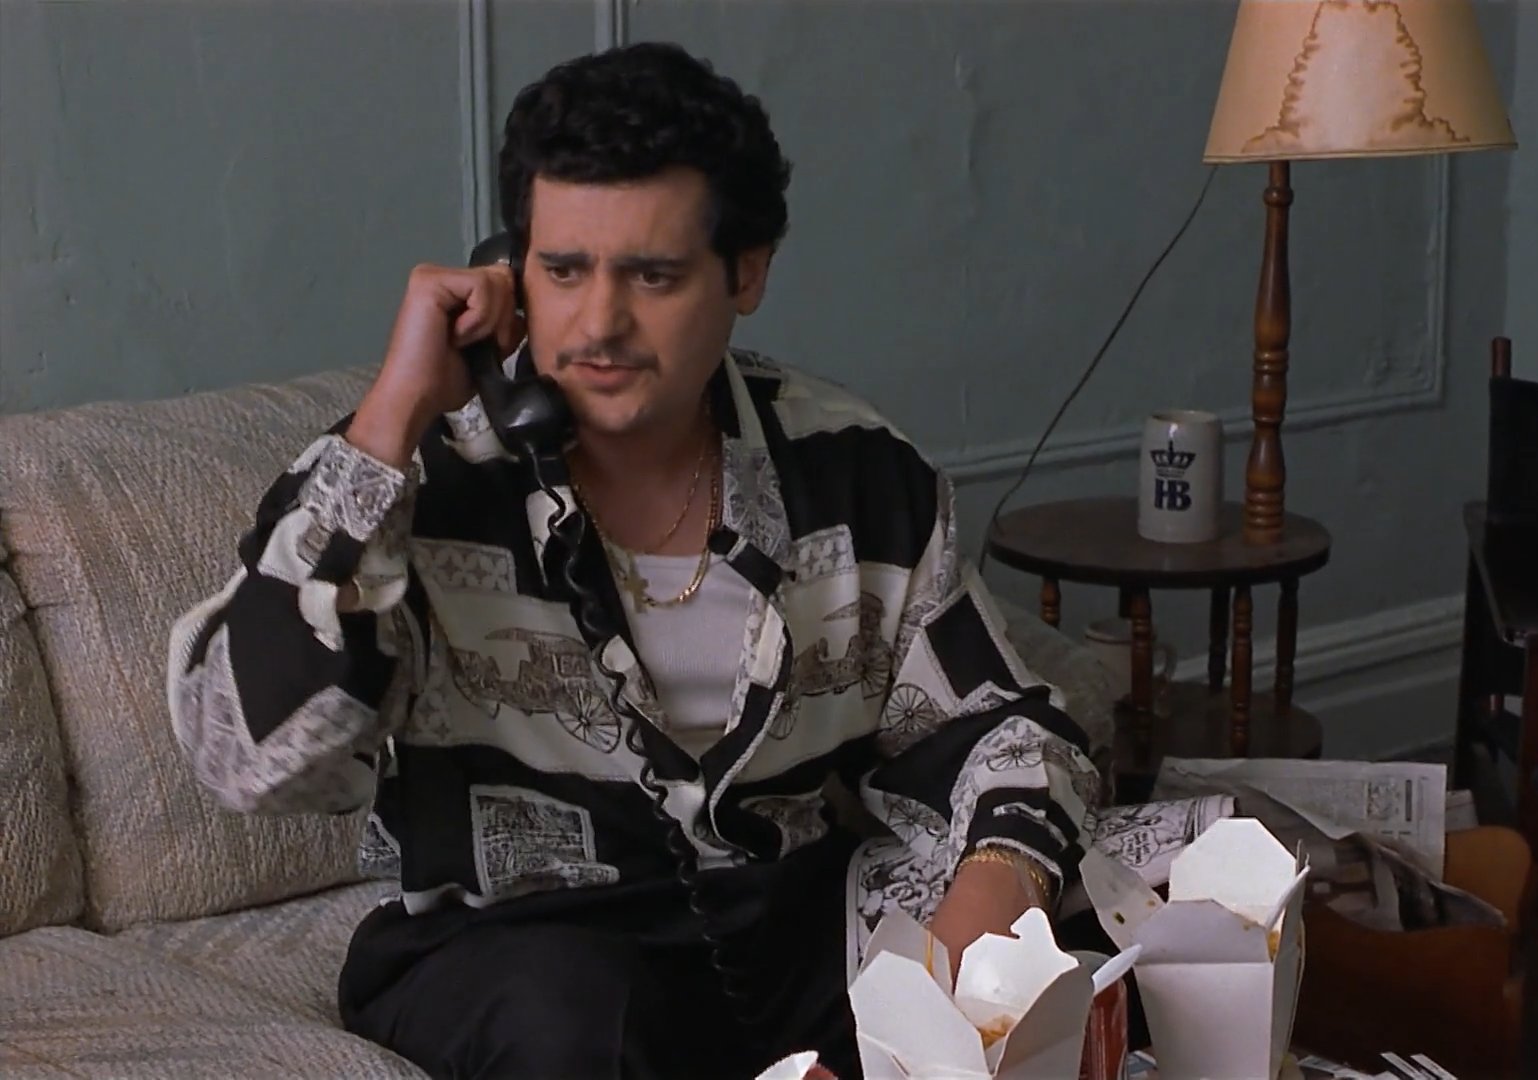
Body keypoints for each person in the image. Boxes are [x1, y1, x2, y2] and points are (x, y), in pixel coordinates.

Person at [165, 41, 1234, 1080]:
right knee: (580, 1017)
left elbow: (1000, 727)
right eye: (563, 271)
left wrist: (983, 930)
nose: (598, 323)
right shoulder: (415, 478)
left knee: (1142, 911)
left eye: (654, 275)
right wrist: (391, 416)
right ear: (510, 271)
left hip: (785, 929)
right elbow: (249, 755)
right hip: (521, 948)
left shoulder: (857, 475)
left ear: (747, 272)